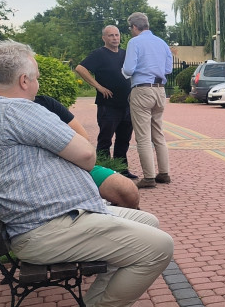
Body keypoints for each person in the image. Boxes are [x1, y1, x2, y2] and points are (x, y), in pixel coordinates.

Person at [0, 40, 174, 307]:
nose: (36, 85)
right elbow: (87, 154)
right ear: (23, 80)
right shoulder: (17, 111)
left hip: (47, 219)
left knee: (149, 222)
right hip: (47, 227)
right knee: (159, 246)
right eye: (34, 78)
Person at [33, 94, 140, 209]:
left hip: (69, 164)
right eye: (35, 78)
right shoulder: (14, 113)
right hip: (43, 173)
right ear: (23, 81)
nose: (38, 81)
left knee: (127, 191)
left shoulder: (45, 102)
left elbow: (83, 137)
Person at [75, 25, 135, 178]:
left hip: (127, 104)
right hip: (108, 105)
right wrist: (99, 87)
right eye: (111, 36)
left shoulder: (125, 54)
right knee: (105, 139)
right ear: (104, 38)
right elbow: (80, 68)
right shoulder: (99, 54)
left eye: (117, 35)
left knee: (124, 139)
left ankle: (122, 169)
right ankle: (104, 172)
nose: (115, 38)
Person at [122, 12, 173, 189]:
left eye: (130, 28)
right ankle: (164, 173)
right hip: (160, 90)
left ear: (134, 27)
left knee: (143, 136)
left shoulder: (134, 42)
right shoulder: (162, 42)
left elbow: (128, 69)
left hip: (142, 89)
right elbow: (168, 69)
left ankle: (149, 177)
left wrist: (124, 72)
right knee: (158, 133)